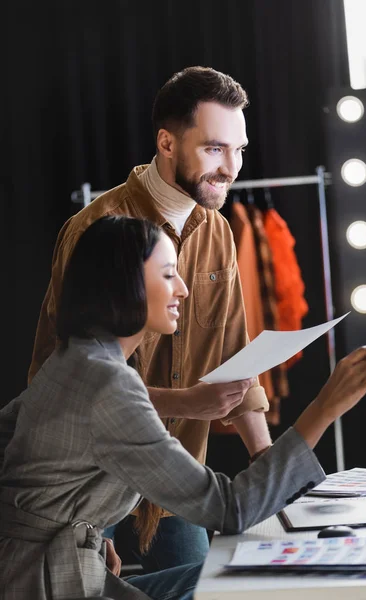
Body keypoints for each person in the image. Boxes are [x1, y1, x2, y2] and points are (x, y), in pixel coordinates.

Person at [0, 215, 366, 600]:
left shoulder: (74, 358)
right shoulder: (107, 382)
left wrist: (79, 531)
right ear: (126, 283)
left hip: (44, 567)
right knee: (250, 579)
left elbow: (12, 440)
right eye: (169, 274)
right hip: (47, 584)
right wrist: (326, 406)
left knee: (227, 573)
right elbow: (229, 507)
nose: (184, 289)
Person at [27, 65, 273, 570]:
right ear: (166, 142)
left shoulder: (220, 232)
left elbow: (234, 354)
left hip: (175, 472)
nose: (231, 167)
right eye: (214, 148)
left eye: (239, 150)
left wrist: (267, 461)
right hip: (89, 480)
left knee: (194, 587)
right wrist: (91, 519)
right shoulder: (94, 230)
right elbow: (62, 381)